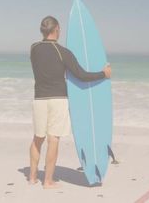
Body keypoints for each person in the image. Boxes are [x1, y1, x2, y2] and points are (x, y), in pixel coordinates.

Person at [29, 16, 111, 189]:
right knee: (53, 139)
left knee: (38, 138)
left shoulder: (33, 48)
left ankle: (32, 177)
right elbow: (81, 75)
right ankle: (48, 181)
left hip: (39, 99)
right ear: (57, 29)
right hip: (58, 99)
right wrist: (103, 74)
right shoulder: (63, 52)